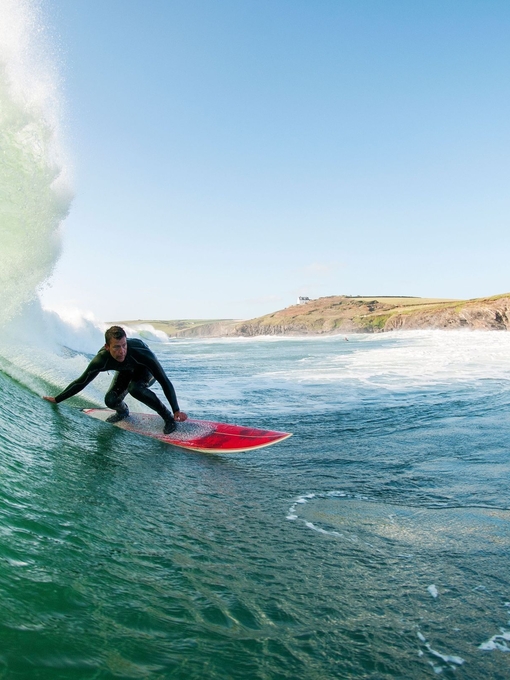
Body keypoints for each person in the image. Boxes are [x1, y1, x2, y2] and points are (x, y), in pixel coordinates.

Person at [43, 326, 187, 434]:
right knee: (111, 400)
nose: (122, 351)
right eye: (117, 347)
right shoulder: (101, 360)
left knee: (135, 388)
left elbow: (164, 380)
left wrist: (176, 409)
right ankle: (123, 412)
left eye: (124, 345)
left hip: (146, 372)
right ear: (107, 347)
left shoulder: (141, 352)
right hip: (126, 371)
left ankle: (168, 418)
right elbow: (81, 382)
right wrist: (57, 399)